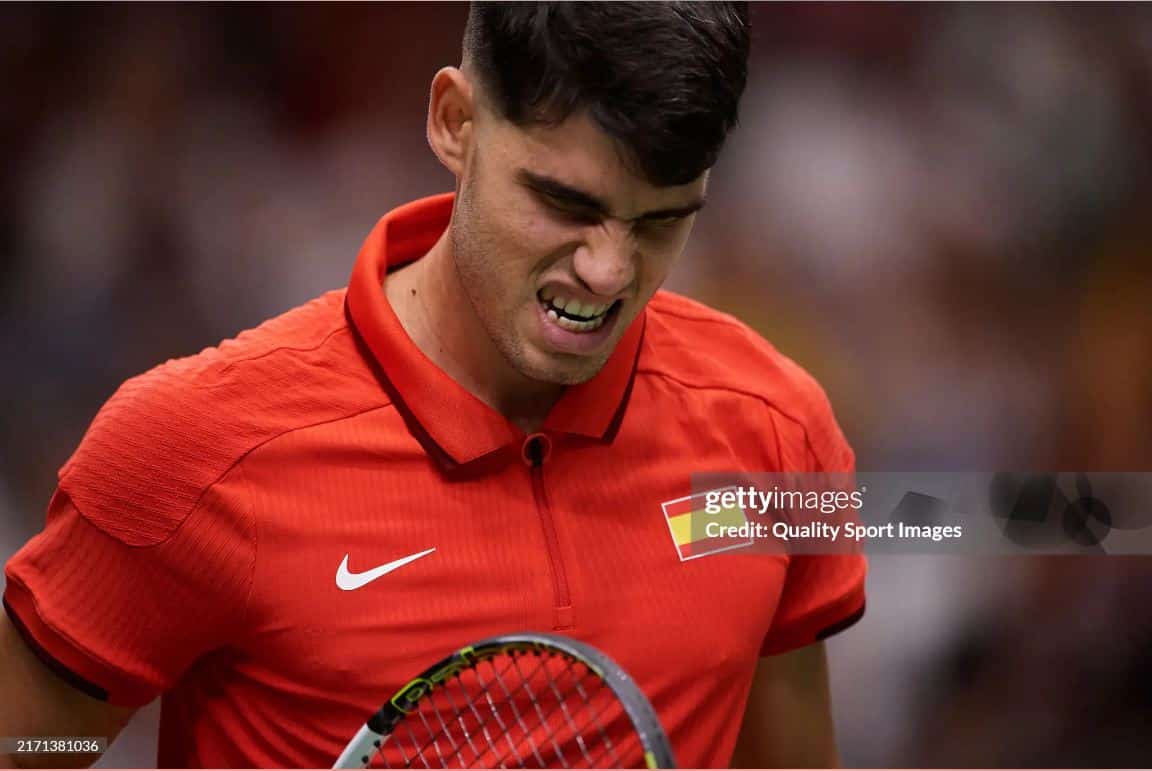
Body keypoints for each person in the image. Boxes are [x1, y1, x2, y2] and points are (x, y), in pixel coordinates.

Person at [1, 3, 865, 768]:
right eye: (565, 203)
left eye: (661, 220)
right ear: (454, 120)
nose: (607, 271)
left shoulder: (780, 437)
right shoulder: (191, 450)